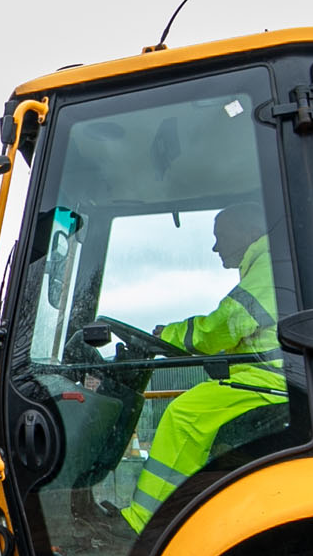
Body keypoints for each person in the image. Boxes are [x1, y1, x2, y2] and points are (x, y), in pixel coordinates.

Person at [122, 205, 287, 533]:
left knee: (185, 416)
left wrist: (167, 334)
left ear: (245, 231)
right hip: (271, 378)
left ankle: (148, 525)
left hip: (274, 382)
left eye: (220, 237)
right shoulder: (268, 263)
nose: (215, 247)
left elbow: (222, 326)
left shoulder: (271, 265)